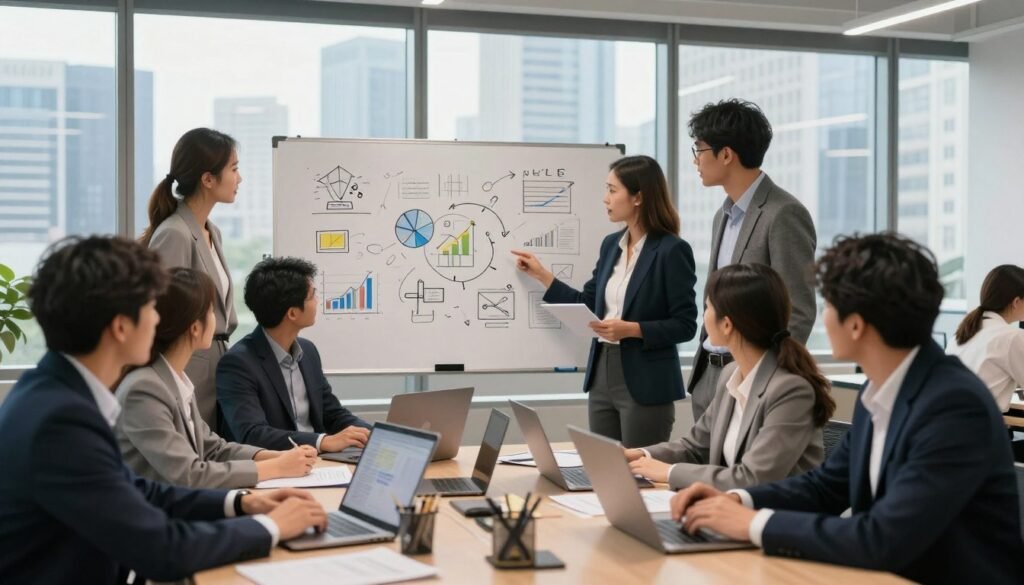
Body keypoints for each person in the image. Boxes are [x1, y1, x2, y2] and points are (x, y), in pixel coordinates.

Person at [669, 233, 1024, 585]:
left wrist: (752, 524)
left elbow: (883, 538)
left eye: (829, 307)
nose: (822, 319)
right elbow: (826, 486)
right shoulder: (882, 387)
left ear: (856, 325)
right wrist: (737, 499)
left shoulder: (954, 407)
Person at [0, 236, 326, 585]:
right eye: (151, 307)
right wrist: (272, 526)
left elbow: (137, 490)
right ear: (121, 327)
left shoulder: (52, 392)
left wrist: (242, 504)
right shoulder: (61, 421)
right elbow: (163, 551)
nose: (159, 319)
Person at [513, 155, 698, 447]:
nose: (605, 198)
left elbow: (686, 325)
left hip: (646, 380)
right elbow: (587, 303)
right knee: (603, 468)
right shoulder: (611, 245)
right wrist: (543, 276)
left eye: (612, 190)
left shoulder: (672, 250)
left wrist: (632, 329)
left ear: (638, 197)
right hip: (602, 374)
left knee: (638, 476)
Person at [624, 263, 833, 490]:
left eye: (707, 307)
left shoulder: (791, 390)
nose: (704, 316)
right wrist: (638, 455)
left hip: (777, 519)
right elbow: (695, 447)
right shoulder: (731, 375)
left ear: (726, 324)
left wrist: (669, 472)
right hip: (729, 510)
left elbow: (754, 478)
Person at [116, 267, 319, 488]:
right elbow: (190, 474)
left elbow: (214, 449)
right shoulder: (144, 389)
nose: (217, 320)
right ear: (195, 328)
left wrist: (274, 457)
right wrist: (277, 468)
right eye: (211, 311)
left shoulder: (174, 379)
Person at [686, 99, 817, 423]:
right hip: (710, 376)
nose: (695, 161)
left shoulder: (783, 213)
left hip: (753, 378)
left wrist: (765, 378)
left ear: (726, 154)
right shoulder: (723, 215)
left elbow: (798, 310)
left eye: (699, 150)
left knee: (742, 474)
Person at [141, 127, 242, 431]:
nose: (240, 178)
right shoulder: (174, 233)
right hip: (189, 366)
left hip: (216, 363)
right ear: (208, 179)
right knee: (194, 458)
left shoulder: (213, 232)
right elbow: (164, 314)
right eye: (234, 169)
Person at [217, 256, 372, 452]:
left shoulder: (308, 352)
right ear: (292, 313)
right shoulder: (238, 363)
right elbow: (252, 434)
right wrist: (321, 441)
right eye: (312, 295)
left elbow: (332, 414)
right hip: (275, 468)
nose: (317, 301)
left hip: (318, 464)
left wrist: (378, 435)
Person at [950, 264, 1024, 412]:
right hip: (977, 426)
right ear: (1016, 302)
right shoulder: (1011, 336)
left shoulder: (963, 332)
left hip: (951, 421)